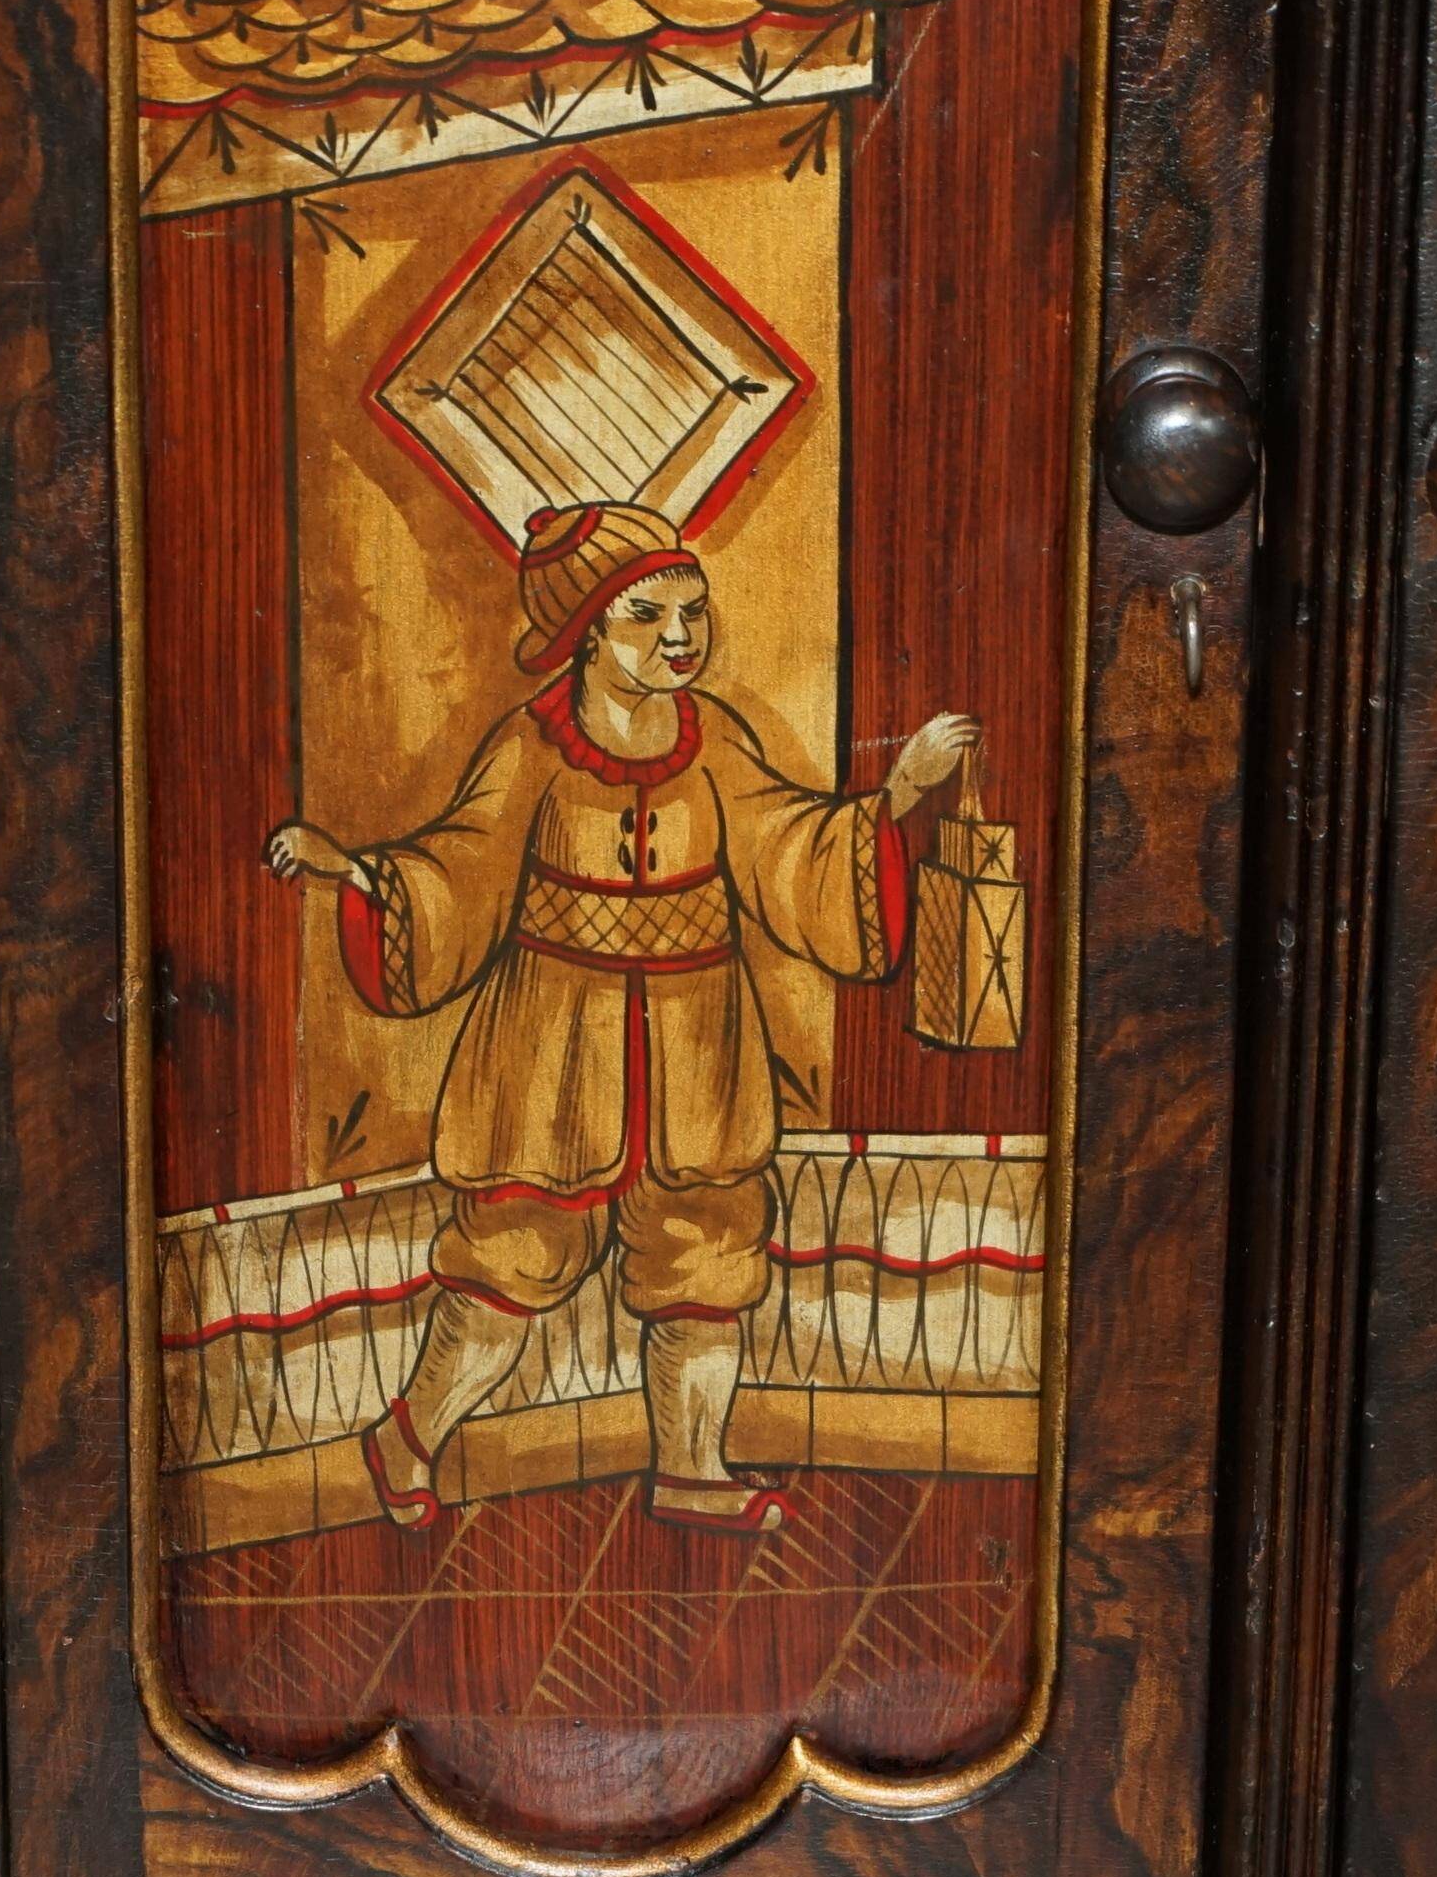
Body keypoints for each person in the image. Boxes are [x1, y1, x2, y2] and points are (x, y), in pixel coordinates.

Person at [266, 500, 978, 1533]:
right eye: (648, 615)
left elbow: (789, 848)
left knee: (707, 1255)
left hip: (700, 1045)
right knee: (516, 1255)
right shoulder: (532, 747)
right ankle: (407, 1436)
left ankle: (691, 1469)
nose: (681, 637)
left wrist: (894, 798)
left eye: (694, 612)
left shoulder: (716, 739)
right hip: (550, 1044)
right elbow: (461, 867)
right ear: (588, 631)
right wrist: (366, 877)